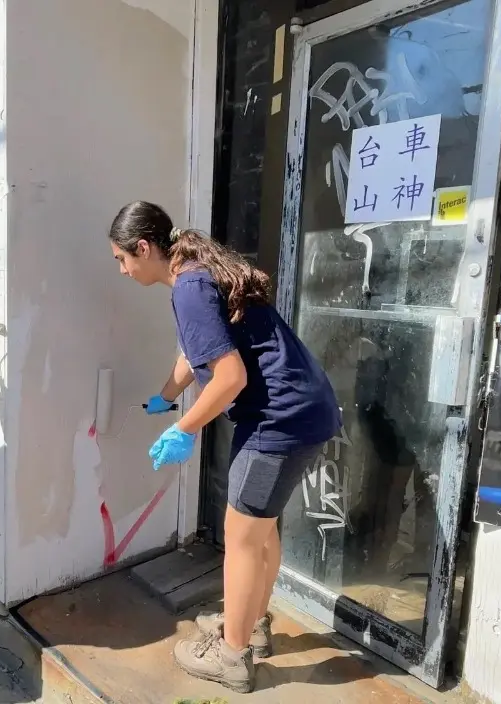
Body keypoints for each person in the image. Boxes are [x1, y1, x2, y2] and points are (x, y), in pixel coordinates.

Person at [108, 201, 340, 693]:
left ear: (143, 248)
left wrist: (184, 428)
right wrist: (165, 398)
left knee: (240, 541)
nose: (123, 270)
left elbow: (229, 377)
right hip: (305, 409)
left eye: (121, 259)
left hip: (277, 420)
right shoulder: (197, 273)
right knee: (260, 534)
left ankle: (233, 657)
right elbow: (198, 352)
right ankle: (251, 627)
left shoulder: (189, 288)